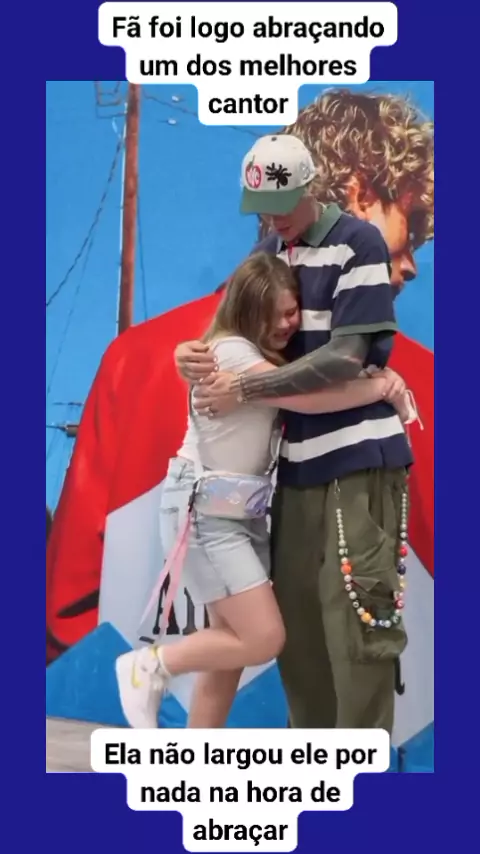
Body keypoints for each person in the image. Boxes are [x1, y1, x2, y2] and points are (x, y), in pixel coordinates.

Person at [46, 87, 433, 674]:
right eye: (414, 221)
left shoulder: (134, 360)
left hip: (167, 708)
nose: (411, 263)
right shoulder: (424, 381)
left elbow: (68, 621)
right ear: (359, 193)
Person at [174, 132, 414, 734]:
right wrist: (189, 355)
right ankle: (311, 765)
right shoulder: (270, 250)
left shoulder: (358, 243)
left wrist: (247, 389)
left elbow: (345, 357)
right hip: (294, 468)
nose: (273, 219)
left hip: (357, 460)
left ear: (312, 188)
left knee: (357, 626)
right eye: (262, 208)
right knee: (299, 635)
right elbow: (229, 332)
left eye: (281, 204)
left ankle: (360, 772)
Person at [114, 250, 409, 729]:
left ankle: (195, 757)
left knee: (228, 648)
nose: (287, 324)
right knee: (263, 638)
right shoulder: (231, 354)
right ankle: (148, 666)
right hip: (208, 511)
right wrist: (380, 388)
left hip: (238, 510)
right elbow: (309, 397)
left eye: (292, 311)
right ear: (248, 313)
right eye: (274, 316)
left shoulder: (255, 356)